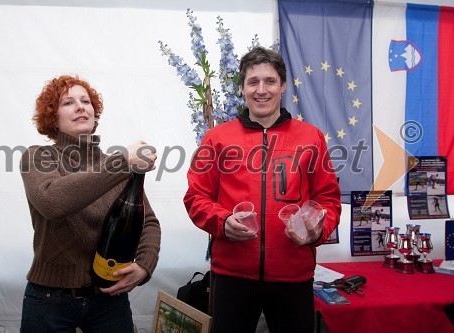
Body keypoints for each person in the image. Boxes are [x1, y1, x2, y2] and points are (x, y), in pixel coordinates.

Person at [183, 47, 341, 333]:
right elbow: (196, 196)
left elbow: (328, 199)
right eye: (253, 82)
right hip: (232, 276)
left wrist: (317, 228)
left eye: (269, 81)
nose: (261, 90)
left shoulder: (311, 138)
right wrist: (222, 221)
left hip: (293, 276)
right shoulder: (217, 138)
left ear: (283, 86)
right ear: (242, 88)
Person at [19, 75, 161, 333]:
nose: (80, 106)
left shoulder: (115, 165)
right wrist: (122, 162)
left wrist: (144, 265)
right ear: (53, 118)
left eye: (85, 101)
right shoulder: (39, 157)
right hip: (49, 300)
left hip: (109, 300)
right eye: (68, 103)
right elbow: (53, 201)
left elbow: (148, 221)